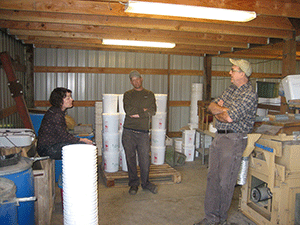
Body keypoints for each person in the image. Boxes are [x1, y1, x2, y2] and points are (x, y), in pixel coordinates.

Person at [194, 59, 258, 225]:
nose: (230, 73)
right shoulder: (231, 89)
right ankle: (210, 218)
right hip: (220, 137)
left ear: (242, 73)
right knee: (212, 179)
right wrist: (221, 110)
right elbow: (211, 107)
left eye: (233, 70)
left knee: (225, 181)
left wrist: (221, 111)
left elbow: (229, 117)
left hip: (234, 139)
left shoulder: (249, 94)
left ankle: (220, 219)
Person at [122, 70, 158, 195]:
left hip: (143, 133)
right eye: (133, 80)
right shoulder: (128, 95)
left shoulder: (149, 94)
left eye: (137, 79)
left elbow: (152, 111)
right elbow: (129, 111)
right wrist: (143, 111)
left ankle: (146, 183)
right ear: (130, 81)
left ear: (141, 79)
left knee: (144, 160)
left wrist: (138, 113)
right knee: (130, 158)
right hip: (128, 132)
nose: (135, 81)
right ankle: (133, 184)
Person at [37, 87, 93, 159]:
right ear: (60, 101)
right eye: (68, 98)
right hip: (47, 149)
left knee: (82, 145)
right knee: (83, 148)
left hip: (52, 144)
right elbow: (63, 136)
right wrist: (82, 140)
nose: (72, 99)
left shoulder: (57, 111)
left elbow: (62, 134)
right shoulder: (56, 115)